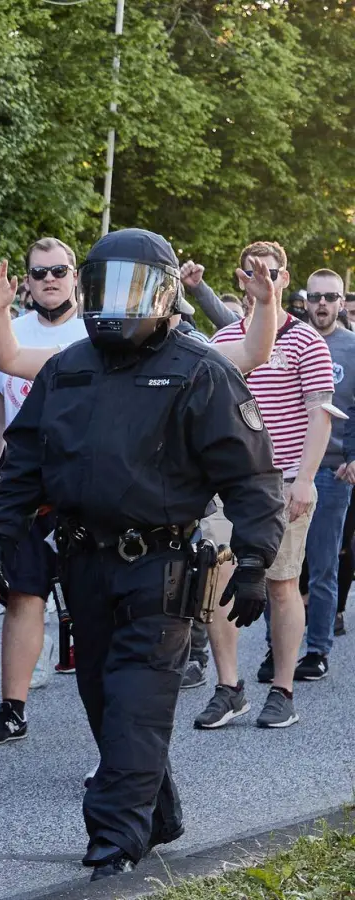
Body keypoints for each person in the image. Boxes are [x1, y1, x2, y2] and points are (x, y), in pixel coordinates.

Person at [0, 228, 284, 881]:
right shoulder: (69, 368)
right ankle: (158, 813)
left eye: (131, 290)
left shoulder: (197, 370)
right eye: (106, 289)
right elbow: (24, 460)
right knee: (100, 697)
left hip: (164, 564)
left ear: (164, 293)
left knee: (136, 700)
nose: (115, 304)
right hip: (84, 564)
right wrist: (1, 532)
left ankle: (112, 844)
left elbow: (251, 476)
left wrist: (256, 557)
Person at [201, 241, 334, 730]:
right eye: (254, 271)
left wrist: (303, 480)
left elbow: (321, 416)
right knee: (214, 580)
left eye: (272, 272)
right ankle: (229, 688)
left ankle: (282, 690)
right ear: (240, 280)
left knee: (281, 585)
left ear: (284, 277)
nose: (264, 278)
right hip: (226, 485)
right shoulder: (221, 340)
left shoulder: (306, 341)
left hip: (283, 482)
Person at [0, 237, 89, 746]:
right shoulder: (8, 332)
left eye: (58, 270)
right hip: (25, 483)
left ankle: (111, 718)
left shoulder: (96, 333)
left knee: (94, 601)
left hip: (86, 482)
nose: (49, 280)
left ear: (75, 275)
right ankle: (12, 708)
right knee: (22, 595)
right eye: (38, 273)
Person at [299, 269, 355, 680]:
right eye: (315, 296)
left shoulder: (353, 349)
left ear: (340, 302)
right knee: (278, 569)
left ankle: (317, 650)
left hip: (332, 473)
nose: (321, 304)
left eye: (329, 297)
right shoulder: (289, 342)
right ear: (305, 300)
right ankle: (274, 649)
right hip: (284, 470)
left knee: (322, 568)